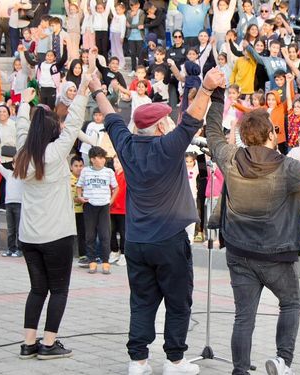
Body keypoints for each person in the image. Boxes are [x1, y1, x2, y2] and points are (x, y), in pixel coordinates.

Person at [205, 62, 300, 374]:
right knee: (291, 302)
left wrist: (215, 99)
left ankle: (240, 370)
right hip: (276, 254)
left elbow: (213, 132)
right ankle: (283, 362)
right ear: (270, 134)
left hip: (239, 252)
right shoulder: (287, 167)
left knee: (244, 315)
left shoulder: (230, 158)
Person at [96, 66, 218, 375]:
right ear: (161, 127)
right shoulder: (168, 147)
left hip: (137, 241)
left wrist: (97, 88)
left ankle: (138, 361)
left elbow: (111, 118)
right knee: (178, 302)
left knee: (142, 301)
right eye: (166, 120)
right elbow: (191, 120)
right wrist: (205, 88)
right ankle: (174, 360)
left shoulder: (127, 146)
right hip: (169, 239)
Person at [13, 78, 86, 359]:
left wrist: (23, 104)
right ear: (53, 130)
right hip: (56, 234)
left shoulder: (23, 154)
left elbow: (22, 130)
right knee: (58, 290)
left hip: (29, 236)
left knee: (37, 290)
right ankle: (48, 344)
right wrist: (82, 92)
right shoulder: (54, 153)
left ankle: (28, 343)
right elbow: (76, 121)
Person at [76, 146, 118, 274]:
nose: (102, 160)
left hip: (104, 206)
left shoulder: (109, 172)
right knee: (90, 235)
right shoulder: (85, 171)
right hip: (89, 206)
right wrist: (80, 197)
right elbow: (79, 186)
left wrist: (110, 201)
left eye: (103, 158)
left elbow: (116, 188)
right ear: (92, 159)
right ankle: (92, 261)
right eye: (99, 158)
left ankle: (105, 262)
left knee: (105, 234)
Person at [0, 152, 24, 257]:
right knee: (11, 229)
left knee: (19, 229)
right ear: (13, 164)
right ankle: (11, 249)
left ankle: (20, 249)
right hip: (8, 204)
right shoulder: (8, 174)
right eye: (15, 163)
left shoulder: (25, 176)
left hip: (19, 204)